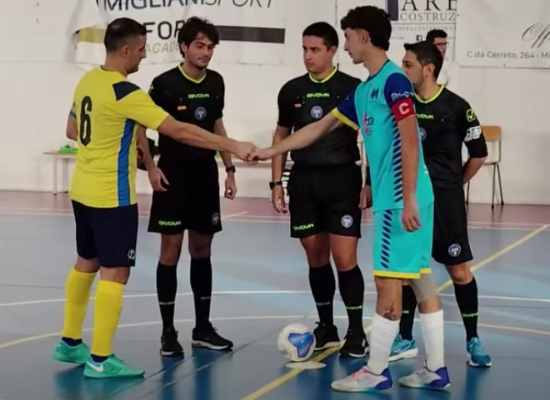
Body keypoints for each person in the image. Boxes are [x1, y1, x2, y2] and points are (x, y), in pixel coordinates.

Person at [250, 6, 451, 392]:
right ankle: (436, 369)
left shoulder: (394, 82)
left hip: (399, 199)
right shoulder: (363, 90)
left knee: (387, 281)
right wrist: (267, 151)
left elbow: (410, 139)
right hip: (407, 197)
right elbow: (317, 128)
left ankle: (376, 371)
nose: (345, 46)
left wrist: (408, 198)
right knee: (422, 281)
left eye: (347, 37)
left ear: (363, 37)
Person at [52, 17, 255, 379]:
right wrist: (233, 146)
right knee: (116, 272)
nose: (144, 56)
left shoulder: (88, 81)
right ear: (125, 50)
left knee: (86, 262)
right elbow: (179, 130)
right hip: (111, 195)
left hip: (82, 189)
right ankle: (100, 359)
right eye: (142, 49)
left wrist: (112, 141)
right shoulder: (127, 93)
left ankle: (69, 342)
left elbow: (72, 129)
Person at [137, 17, 235, 357]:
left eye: (210, 47)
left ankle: (202, 328)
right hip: (172, 177)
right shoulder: (164, 84)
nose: (206, 52)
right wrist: (151, 166)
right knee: (170, 250)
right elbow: (141, 126)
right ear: (183, 46)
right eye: (200, 46)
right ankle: (168, 332)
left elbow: (218, 126)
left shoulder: (216, 82)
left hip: (205, 176)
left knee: (202, 250)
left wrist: (229, 168)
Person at [391, 41, 491, 367]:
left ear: (428, 69)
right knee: (407, 271)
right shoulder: (402, 105)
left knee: (459, 271)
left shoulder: (457, 107)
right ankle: (405, 337)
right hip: (410, 200)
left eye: (408, 64)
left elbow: (479, 153)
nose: (402, 70)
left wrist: (455, 183)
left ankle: (473, 340)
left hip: (446, 202)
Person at [271, 21, 368, 357]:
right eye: (304, 49)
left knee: (345, 257)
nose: (308, 56)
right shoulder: (291, 90)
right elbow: (281, 135)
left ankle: (356, 331)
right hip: (304, 181)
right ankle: (327, 326)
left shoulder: (353, 88)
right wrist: (276, 182)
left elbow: (372, 137)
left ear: (332, 51)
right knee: (316, 256)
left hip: (342, 180)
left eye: (314, 50)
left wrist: (369, 183)